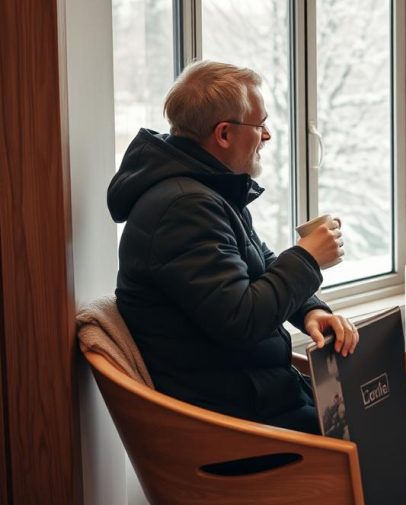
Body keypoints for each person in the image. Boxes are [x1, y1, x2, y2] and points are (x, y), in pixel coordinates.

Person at [108, 60, 357, 435]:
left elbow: (261, 266)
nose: (267, 136)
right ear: (224, 134)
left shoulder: (206, 191)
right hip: (236, 428)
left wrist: (309, 310)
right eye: (260, 125)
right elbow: (241, 320)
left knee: (380, 421)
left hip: (258, 400)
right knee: (383, 438)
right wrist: (308, 257)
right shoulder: (183, 208)